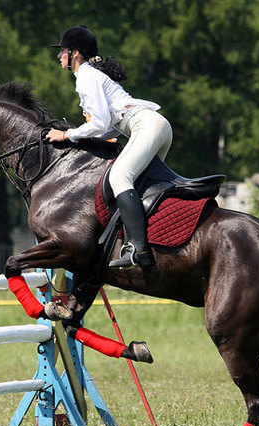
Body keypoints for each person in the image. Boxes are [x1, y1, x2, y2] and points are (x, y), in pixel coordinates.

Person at [45, 25, 173, 270]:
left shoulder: (85, 76)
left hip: (146, 126)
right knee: (144, 186)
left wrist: (66, 134)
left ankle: (139, 249)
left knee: (120, 176)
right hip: (158, 126)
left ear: (75, 54)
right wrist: (88, 137)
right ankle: (158, 239)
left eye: (62, 51)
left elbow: (99, 123)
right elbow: (108, 127)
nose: (59, 56)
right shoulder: (93, 75)